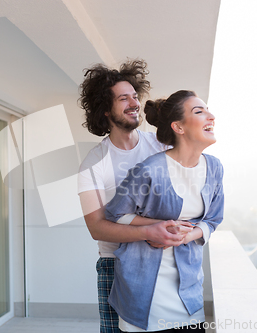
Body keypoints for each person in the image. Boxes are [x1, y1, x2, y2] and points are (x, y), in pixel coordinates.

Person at [77, 60, 191, 333]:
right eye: (123, 98)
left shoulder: (161, 145)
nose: (134, 103)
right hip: (115, 267)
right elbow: (96, 228)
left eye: (134, 96)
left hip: (163, 262)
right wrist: (149, 231)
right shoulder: (93, 164)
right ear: (105, 109)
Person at [105, 90, 224, 332]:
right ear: (178, 127)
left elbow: (213, 219)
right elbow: (114, 215)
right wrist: (152, 229)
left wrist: (188, 234)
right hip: (146, 294)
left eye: (208, 109)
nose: (211, 116)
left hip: (189, 292)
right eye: (199, 111)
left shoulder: (214, 168)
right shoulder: (149, 170)